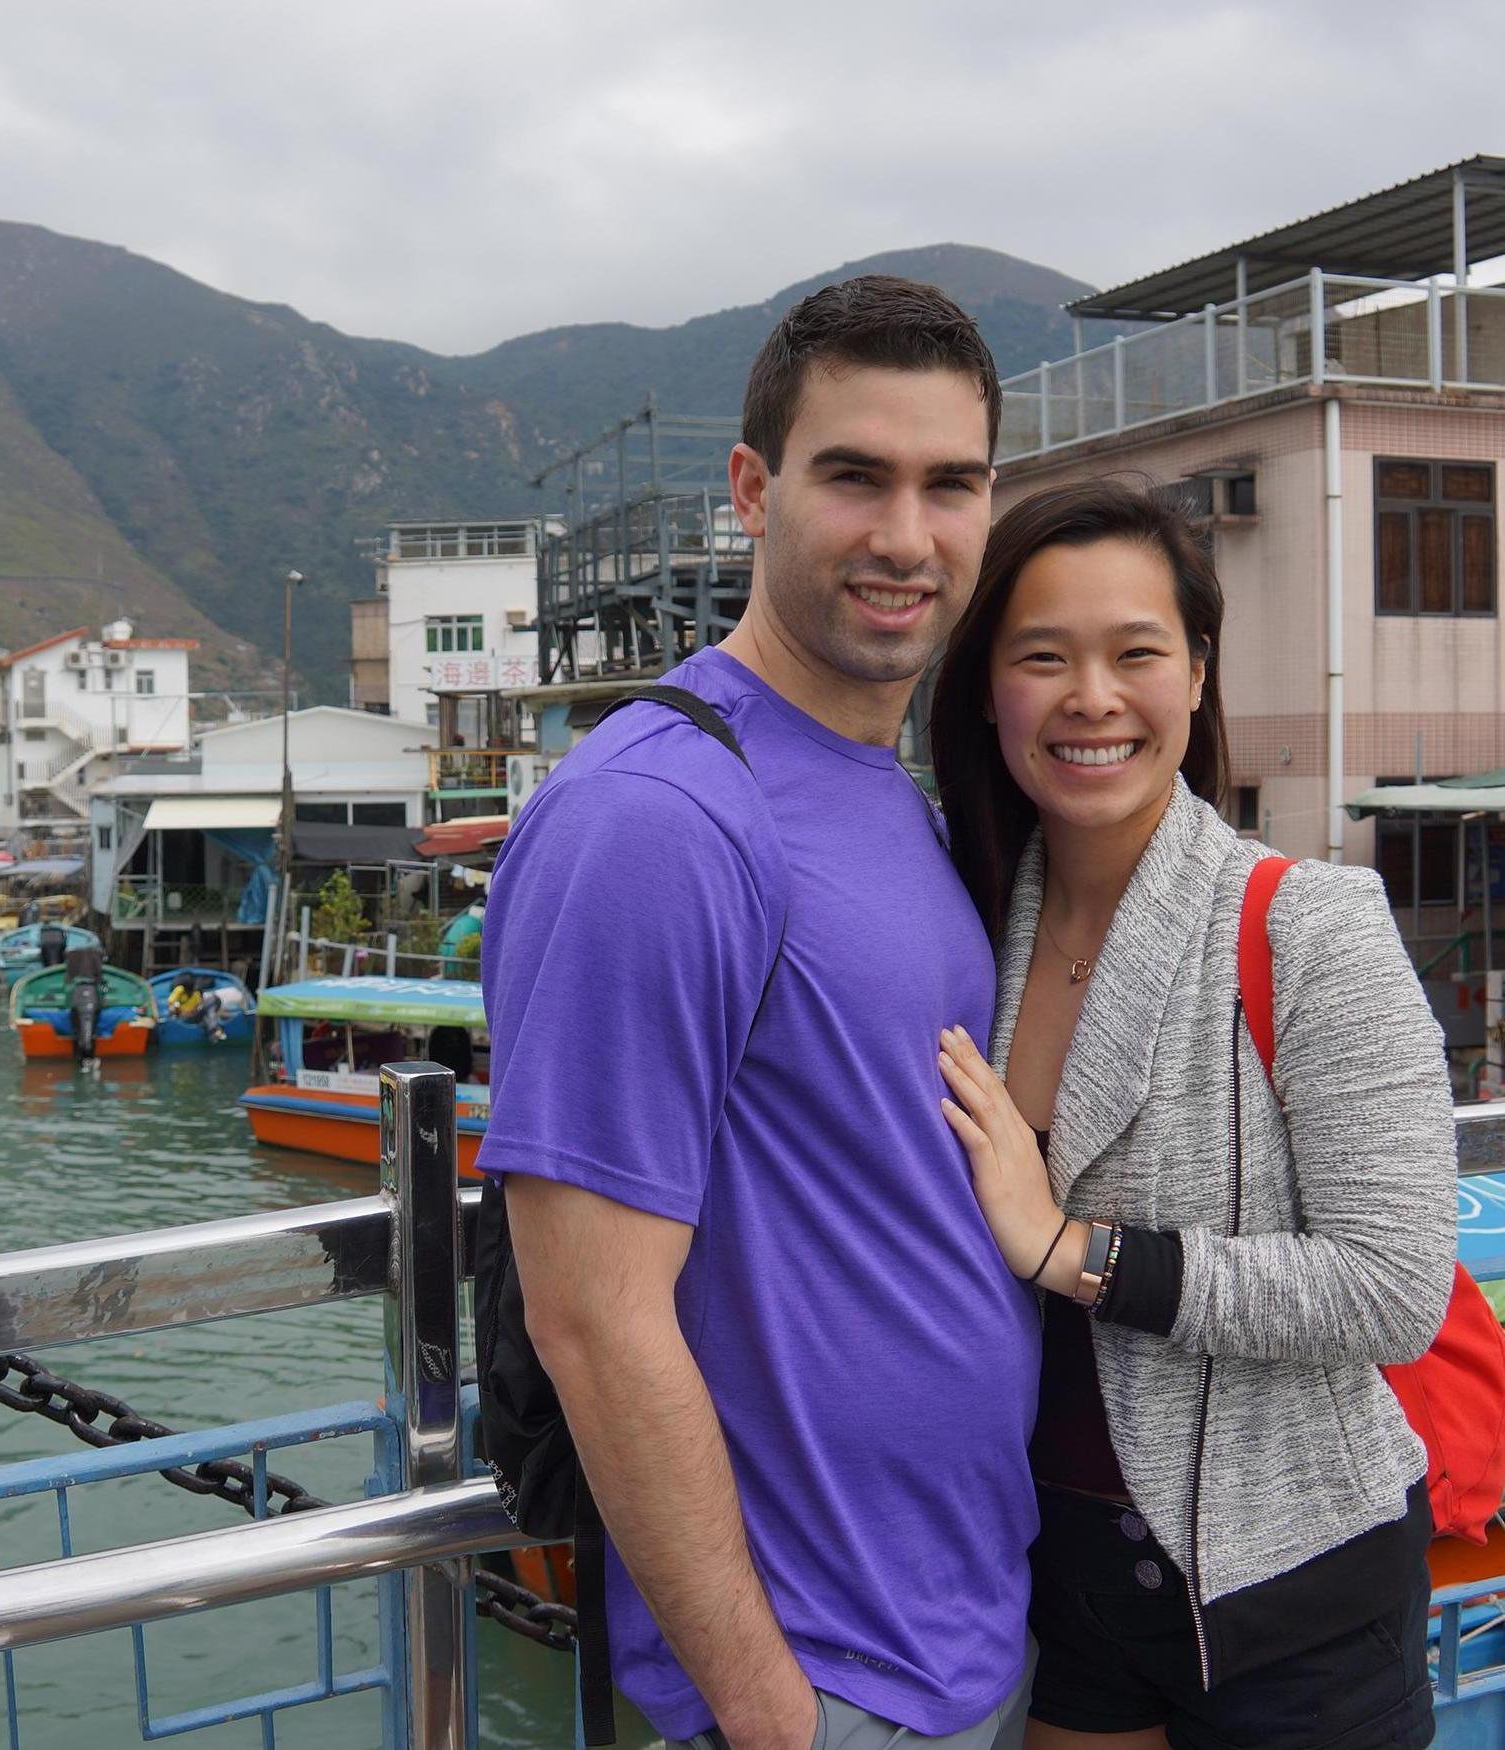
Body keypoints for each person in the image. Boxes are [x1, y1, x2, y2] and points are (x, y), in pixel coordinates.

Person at [478, 277, 1039, 1750]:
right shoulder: (657, 813)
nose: (904, 537)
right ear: (752, 489)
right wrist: (768, 1714)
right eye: (853, 476)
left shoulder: (890, 794)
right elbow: (591, 1313)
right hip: (814, 1685)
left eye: (948, 483)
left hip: (967, 1633)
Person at [929, 480, 1454, 1750]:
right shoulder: (961, 920)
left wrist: (1074, 1252)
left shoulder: (1308, 925)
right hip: (1051, 1580)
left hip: (1292, 1605)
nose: (1090, 697)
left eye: (1135, 653)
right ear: (986, 686)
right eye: (1040, 656)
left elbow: (1392, 1286)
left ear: (1198, 672)